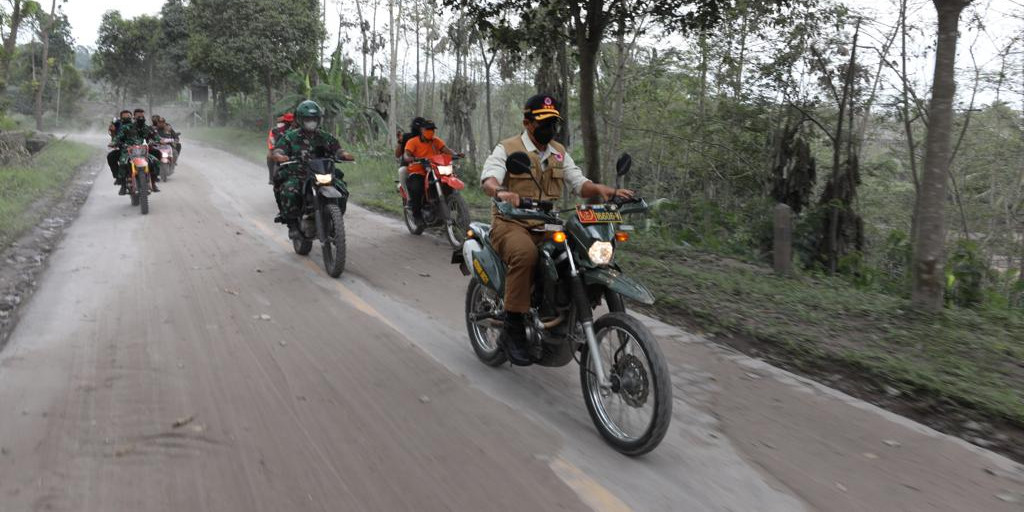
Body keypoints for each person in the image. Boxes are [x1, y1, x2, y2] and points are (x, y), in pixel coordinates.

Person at [479, 94, 633, 365]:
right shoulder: (508, 148)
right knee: (525, 255)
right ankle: (512, 330)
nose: (550, 127)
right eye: (544, 121)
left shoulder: (558, 151)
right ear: (528, 122)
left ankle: (564, 310)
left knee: (580, 254)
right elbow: (489, 179)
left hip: (548, 224)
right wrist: (501, 192)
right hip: (511, 223)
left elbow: (579, 182)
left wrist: (604, 190)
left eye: (554, 122)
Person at [270, 100, 354, 239]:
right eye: (308, 119)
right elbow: (278, 150)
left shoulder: (326, 137)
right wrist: (280, 156)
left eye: (314, 119)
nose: (311, 122)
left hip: (323, 173)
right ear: (301, 120)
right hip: (298, 175)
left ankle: (335, 222)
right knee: (289, 191)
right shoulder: (290, 137)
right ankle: (292, 225)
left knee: (342, 189)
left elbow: (337, 150)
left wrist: (344, 155)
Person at [401, 119, 460, 225]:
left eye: (432, 129)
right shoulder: (412, 142)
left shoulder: (436, 141)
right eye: (428, 129)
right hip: (419, 171)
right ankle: (417, 215)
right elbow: (406, 154)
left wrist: (456, 154)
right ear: (422, 130)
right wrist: (409, 158)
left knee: (448, 182)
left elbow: (447, 150)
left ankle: (455, 210)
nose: (431, 131)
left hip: (435, 170)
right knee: (416, 188)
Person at [113, 108, 161, 194]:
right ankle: (123, 186)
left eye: (142, 116)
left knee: (155, 161)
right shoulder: (127, 127)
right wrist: (114, 142)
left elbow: (156, 136)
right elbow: (118, 137)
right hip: (128, 151)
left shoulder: (147, 128)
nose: (140, 117)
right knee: (123, 162)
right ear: (134, 117)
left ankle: (153, 183)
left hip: (143, 151)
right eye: (138, 116)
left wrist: (158, 141)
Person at [395, 117, 426, 193]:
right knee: (402, 171)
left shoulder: (428, 138)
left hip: (426, 164)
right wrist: (400, 142)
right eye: (415, 128)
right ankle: (409, 198)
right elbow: (397, 154)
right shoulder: (406, 137)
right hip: (409, 165)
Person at [266, 112, 294, 185]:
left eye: (290, 122)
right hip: (279, 149)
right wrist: (272, 149)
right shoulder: (275, 130)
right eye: (279, 121)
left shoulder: (298, 130)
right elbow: (271, 141)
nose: (281, 123)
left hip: (293, 150)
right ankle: (271, 178)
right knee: (270, 156)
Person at [107, 110, 132, 184]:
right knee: (111, 156)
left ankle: (152, 179)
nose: (126, 117)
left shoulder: (136, 125)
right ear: (121, 118)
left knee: (151, 160)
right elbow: (115, 138)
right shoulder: (118, 125)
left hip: (137, 150)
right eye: (124, 116)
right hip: (123, 149)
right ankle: (118, 177)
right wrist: (113, 133)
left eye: (128, 116)